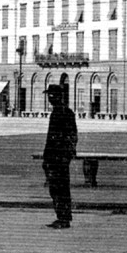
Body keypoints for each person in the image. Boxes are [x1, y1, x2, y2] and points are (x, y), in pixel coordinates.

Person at [42, 84, 77, 229]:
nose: (50, 99)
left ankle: (63, 218)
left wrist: (64, 154)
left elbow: (70, 136)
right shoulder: (61, 112)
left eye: (52, 96)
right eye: (49, 96)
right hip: (57, 157)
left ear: (58, 97)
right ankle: (63, 216)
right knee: (58, 188)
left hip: (58, 157)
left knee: (59, 188)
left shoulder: (62, 113)